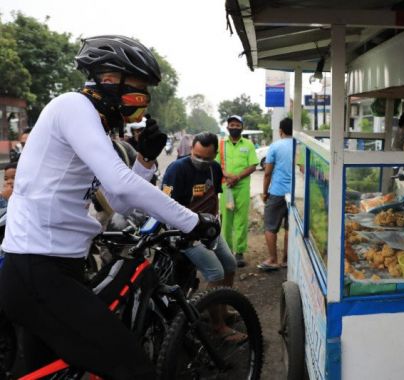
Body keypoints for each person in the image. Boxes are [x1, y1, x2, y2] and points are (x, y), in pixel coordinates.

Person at [0, 35, 214, 380]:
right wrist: (192, 221)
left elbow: (115, 200)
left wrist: (144, 160)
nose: (140, 102)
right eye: (137, 91)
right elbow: (119, 184)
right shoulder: (73, 106)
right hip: (39, 271)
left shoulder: (91, 124)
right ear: (109, 80)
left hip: (52, 269)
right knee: (133, 370)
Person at [162, 132, 245, 342]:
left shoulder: (214, 169)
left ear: (215, 155)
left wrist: (216, 222)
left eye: (206, 158)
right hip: (186, 233)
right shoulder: (176, 170)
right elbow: (165, 206)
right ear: (191, 150)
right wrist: (185, 233)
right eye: (196, 155)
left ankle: (222, 311)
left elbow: (214, 196)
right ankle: (218, 327)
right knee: (215, 273)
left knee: (230, 265)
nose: (201, 161)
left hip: (210, 229)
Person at [216, 115, 259, 267]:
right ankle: (226, 251)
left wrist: (237, 177)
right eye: (231, 125)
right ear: (227, 128)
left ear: (242, 127)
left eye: (237, 125)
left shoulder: (248, 144)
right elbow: (216, 165)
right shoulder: (221, 145)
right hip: (227, 189)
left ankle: (239, 252)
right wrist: (228, 176)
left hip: (242, 189)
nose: (234, 127)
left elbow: (253, 165)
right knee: (227, 220)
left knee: (241, 220)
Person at [258, 118, 293, 271]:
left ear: (281, 131)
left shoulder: (275, 146)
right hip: (293, 194)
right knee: (290, 228)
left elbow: (267, 173)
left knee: (270, 227)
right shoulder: (300, 146)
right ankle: (287, 260)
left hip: (277, 192)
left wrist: (265, 193)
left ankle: (273, 259)